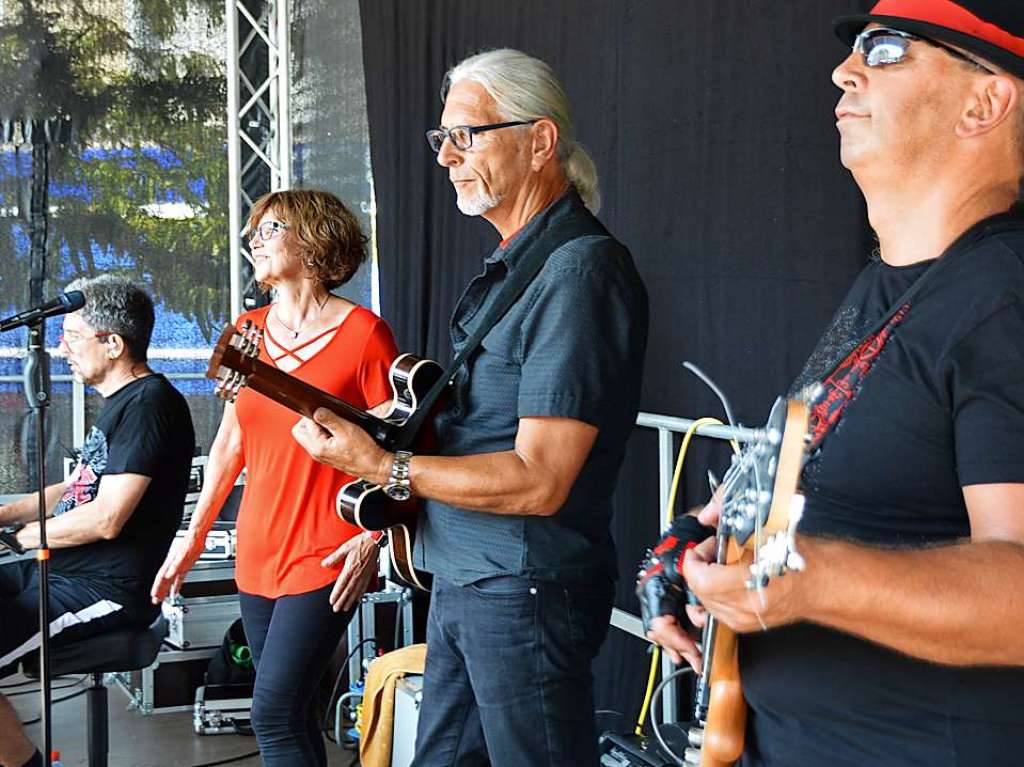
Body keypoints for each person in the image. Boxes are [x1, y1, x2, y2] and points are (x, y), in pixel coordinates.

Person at [643, 3, 1024, 765]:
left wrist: (809, 577)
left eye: (885, 51)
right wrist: (694, 541)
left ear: (985, 102)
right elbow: (795, 487)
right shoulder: (885, 290)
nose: (842, 71)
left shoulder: (1004, 299)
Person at [293, 49, 648, 767]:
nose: (449, 157)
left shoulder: (580, 270)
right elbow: (467, 431)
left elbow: (541, 479)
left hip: (523, 590)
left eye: (469, 135)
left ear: (540, 141)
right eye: (442, 139)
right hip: (468, 577)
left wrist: (385, 466)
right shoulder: (524, 263)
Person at [151, 189, 399, 766]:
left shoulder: (366, 334)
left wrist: (374, 537)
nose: (251, 242)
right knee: (293, 716)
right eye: (252, 234)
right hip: (258, 549)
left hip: (328, 550)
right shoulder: (248, 329)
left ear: (311, 239)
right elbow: (230, 443)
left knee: (273, 713)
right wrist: (191, 539)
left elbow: (398, 445)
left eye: (268, 230)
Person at [0, 276, 195, 767]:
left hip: (102, 590)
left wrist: (18, 538)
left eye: (73, 336)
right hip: (61, 570)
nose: (63, 348)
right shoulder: (123, 405)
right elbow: (79, 488)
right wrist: (3, 513)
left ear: (113, 344)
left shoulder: (152, 405)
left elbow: (108, 517)